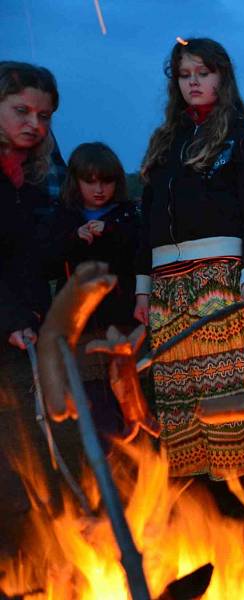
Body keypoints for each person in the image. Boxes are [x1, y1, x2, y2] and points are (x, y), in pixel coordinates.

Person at [135, 38, 244, 480]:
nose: (193, 82)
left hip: (218, 277)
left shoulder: (240, 138)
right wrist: (143, 287)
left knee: (224, 389)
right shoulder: (165, 142)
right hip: (166, 284)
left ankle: (239, 493)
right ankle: (192, 501)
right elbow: (149, 218)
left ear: (222, 77)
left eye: (203, 72)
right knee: (178, 392)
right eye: (184, 75)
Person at [0, 61, 59, 550]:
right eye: (21, 110)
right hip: (9, 325)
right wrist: (13, 317)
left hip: (20, 332)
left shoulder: (30, 184)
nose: (33, 124)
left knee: (23, 446)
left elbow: (30, 261)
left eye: (43, 116)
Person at [49, 142, 139, 446]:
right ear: (76, 182)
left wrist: (111, 232)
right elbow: (45, 260)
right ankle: (107, 475)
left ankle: (139, 473)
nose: (99, 189)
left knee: (129, 400)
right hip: (82, 327)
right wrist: (75, 237)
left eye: (106, 180)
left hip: (121, 325)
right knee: (96, 404)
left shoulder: (127, 216)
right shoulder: (63, 217)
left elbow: (139, 255)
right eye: (90, 181)